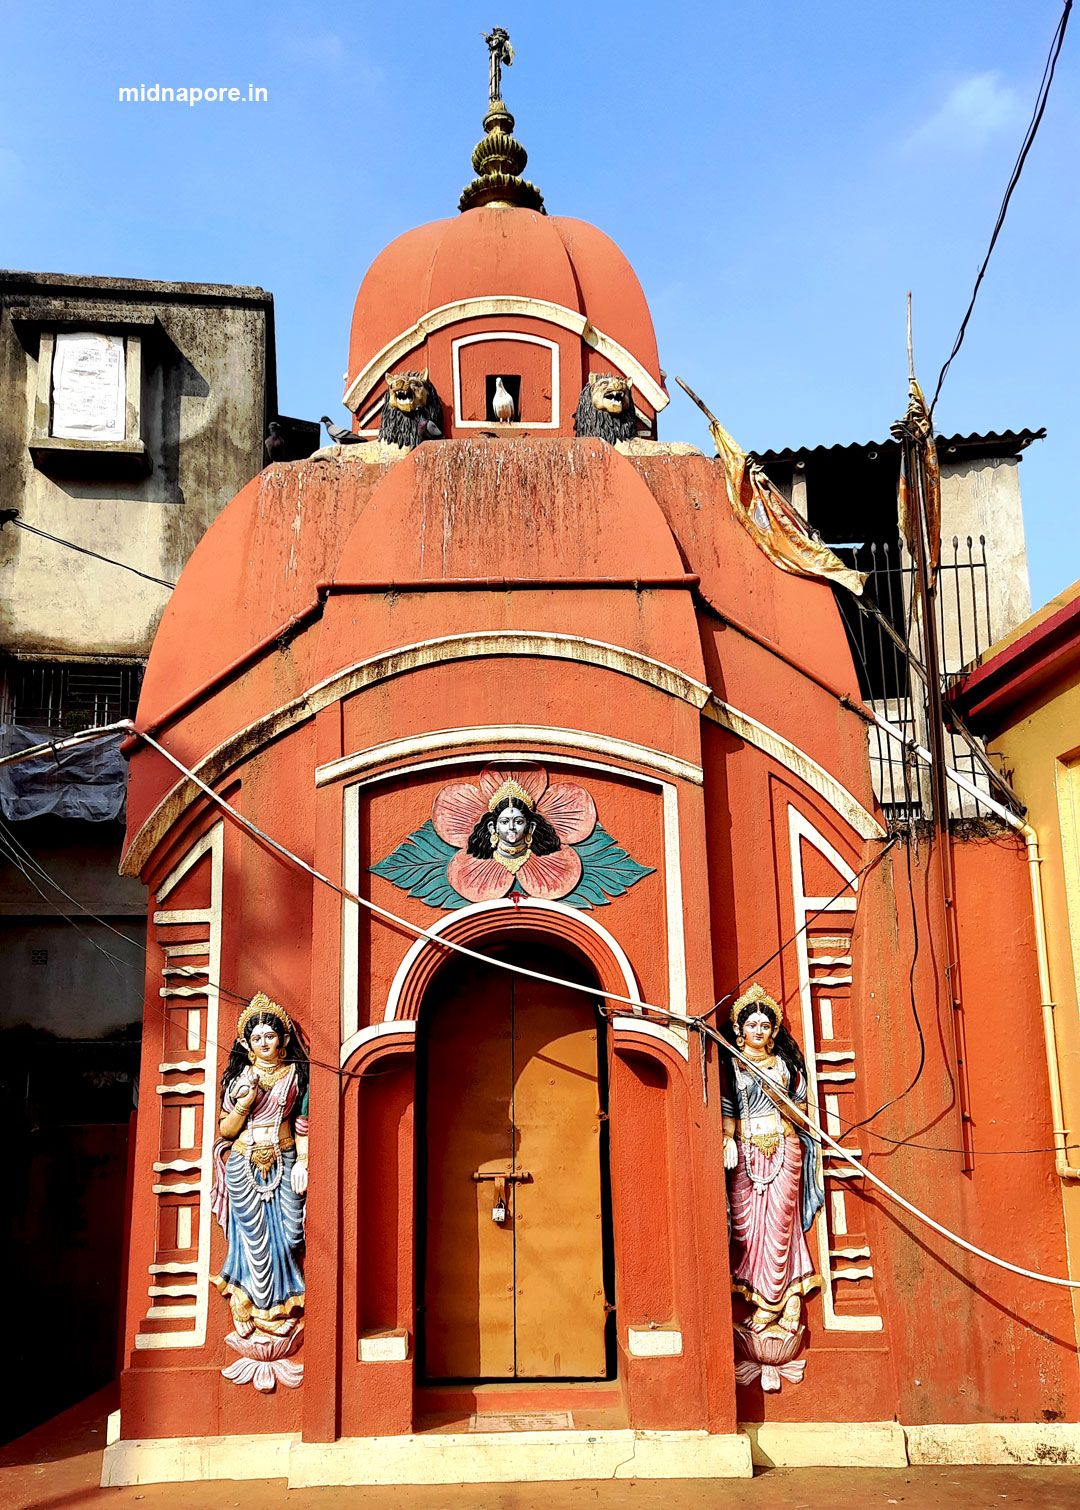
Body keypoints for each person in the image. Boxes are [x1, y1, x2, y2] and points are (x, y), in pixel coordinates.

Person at [720, 983, 823, 1334]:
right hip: (745, 1150)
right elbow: (729, 1107)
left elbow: (803, 1112)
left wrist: (781, 1102)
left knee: (781, 1226)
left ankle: (776, 1301)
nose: (758, 1032)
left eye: (765, 1026)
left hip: (783, 1145)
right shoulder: (731, 1064)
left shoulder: (784, 1066)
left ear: (774, 1030)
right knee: (748, 1231)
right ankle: (775, 1295)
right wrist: (726, 1138)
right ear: (739, 1029)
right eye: (751, 1026)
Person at [211, 993, 309, 1341]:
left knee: (288, 1236)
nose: (264, 1042)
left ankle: (280, 1304)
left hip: (283, 1157)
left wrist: (304, 1161)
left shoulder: (296, 1074)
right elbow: (225, 1129)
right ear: (245, 1042)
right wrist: (245, 1102)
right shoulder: (240, 1078)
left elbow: (302, 1122)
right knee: (250, 1239)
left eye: (270, 1035)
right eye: (256, 1038)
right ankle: (246, 1304)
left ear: (282, 1039)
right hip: (244, 1160)